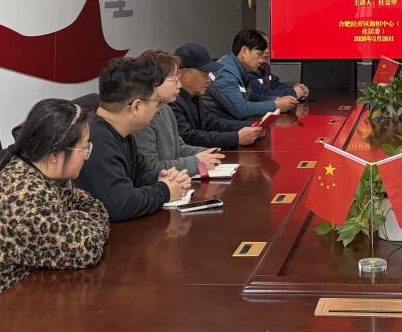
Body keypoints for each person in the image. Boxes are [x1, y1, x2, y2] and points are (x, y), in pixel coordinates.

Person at [0, 99, 109, 317]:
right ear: (55, 155)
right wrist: (79, 220)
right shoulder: (24, 198)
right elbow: (87, 248)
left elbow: (94, 206)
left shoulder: (47, 173)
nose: (87, 155)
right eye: (84, 148)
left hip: (21, 294)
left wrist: (76, 219)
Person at [76, 55, 192, 220]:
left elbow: (139, 174)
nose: (157, 107)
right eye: (156, 101)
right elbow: (121, 205)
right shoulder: (95, 138)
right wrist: (165, 190)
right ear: (136, 106)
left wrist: (161, 178)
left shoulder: (121, 132)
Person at [133, 48, 226, 177]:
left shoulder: (165, 109)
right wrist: (197, 161)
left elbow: (178, 147)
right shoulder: (142, 117)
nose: (179, 85)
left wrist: (206, 153)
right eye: (174, 79)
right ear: (155, 81)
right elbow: (150, 168)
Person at [172, 42, 264, 150]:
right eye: (205, 75)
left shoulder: (195, 96)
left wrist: (250, 125)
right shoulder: (172, 101)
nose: (208, 80)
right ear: (185, 74)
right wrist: (236, 138)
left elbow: (212, 122)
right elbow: (189, 137)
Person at [208, 29, 299, 120]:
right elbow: (241, 109)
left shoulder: (238, 68)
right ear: (244, 51)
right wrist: (276, 105)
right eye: (259, 54)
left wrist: (276, 100)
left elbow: (250, 97)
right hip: (221, 126)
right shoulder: (226, 72)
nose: (261, 60)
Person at [247, 31, 309, 101]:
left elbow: (276, 85)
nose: (267, 51)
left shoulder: (265, 67)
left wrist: (296, 89)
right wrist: (293, 92)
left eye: (268, 46)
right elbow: (262, 94)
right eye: (263, 47)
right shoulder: (249, 68)